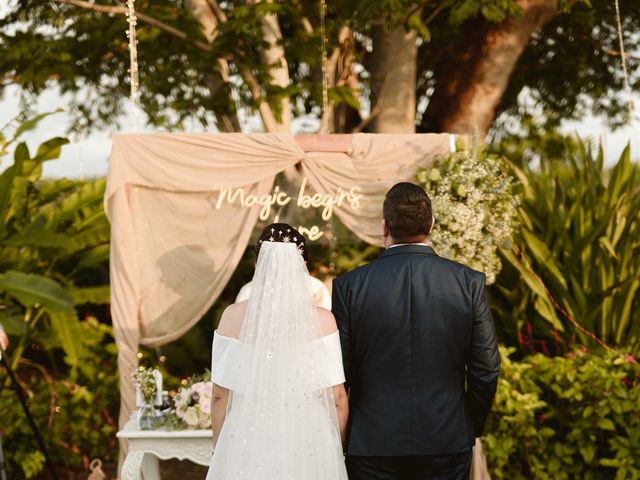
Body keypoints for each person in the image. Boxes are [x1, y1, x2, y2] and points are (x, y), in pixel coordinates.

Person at [332, 182, 500, 480]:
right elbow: (486, 368)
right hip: (447, 439)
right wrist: (467, 425)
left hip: (372, 443)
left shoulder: (350, 287)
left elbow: (339, 375)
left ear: (384, 226)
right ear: (432, 224)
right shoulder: (468, 282)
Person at [206, 223, 349, 480]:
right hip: (309, 434)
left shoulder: (231, 316)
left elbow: (219, 395)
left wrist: (221, 448)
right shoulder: (325, 320)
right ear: (302, 264)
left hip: (248, 432)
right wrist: (333, 450)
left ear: (258, 264)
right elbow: (337, 397)